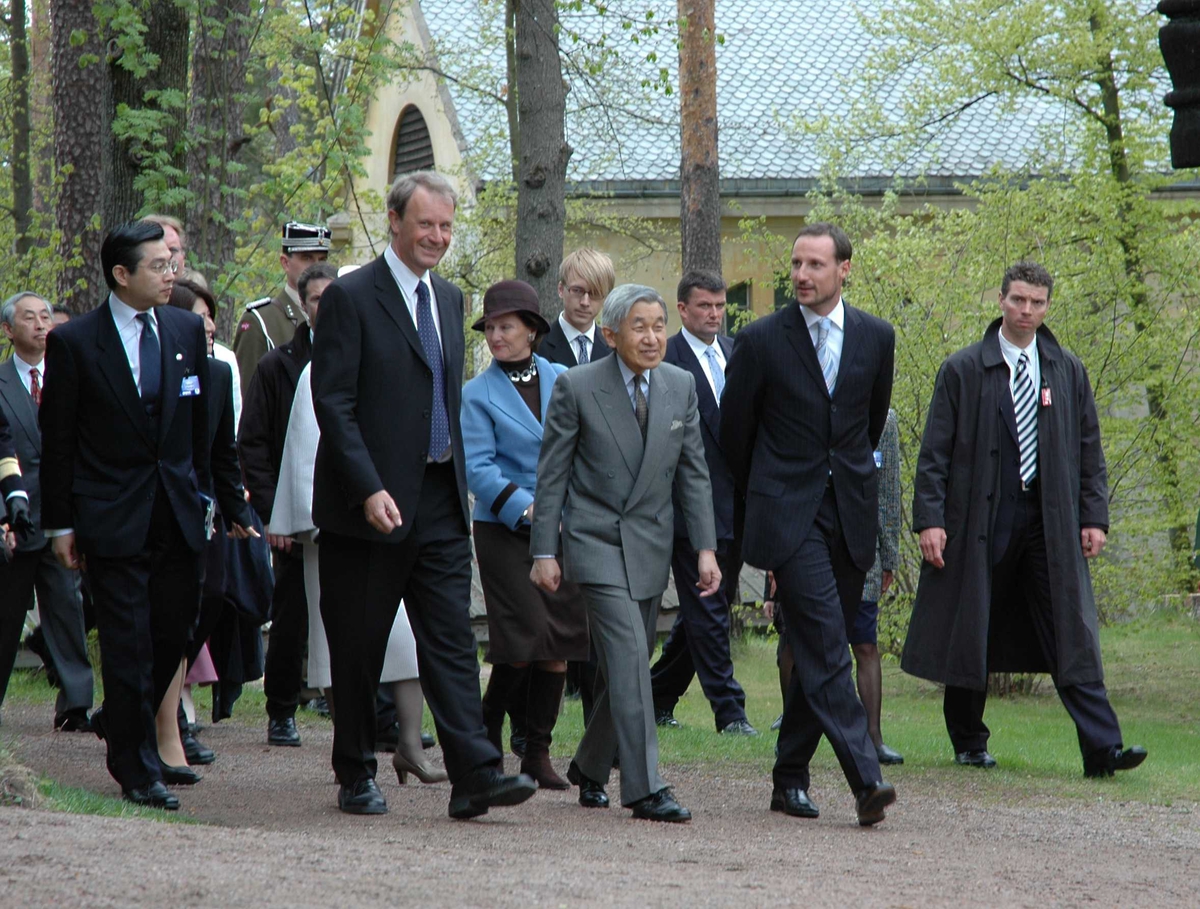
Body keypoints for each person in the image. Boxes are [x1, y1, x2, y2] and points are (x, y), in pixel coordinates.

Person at [311, 170, 536, 818]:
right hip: (369, 507)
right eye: (425, 224)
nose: (437, 236)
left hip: (440, 494)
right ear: (394, 220)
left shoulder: (448, 297)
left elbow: (441, 395)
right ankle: (355, 769)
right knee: (360, 645)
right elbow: (336, 402)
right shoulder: (351, 298)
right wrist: (367, 486)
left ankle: (475, 774)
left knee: (451, 639)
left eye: (445, 225)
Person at [39, 220, 257, 810]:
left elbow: (200, 431)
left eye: (173, 263)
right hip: (110, 517)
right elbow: (58, 442)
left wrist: (215, 502)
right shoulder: (77, 342)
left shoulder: (186, 329)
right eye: (159, 266)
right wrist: (60, 524)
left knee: (173, 632)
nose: (172, 275)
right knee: (127, 640)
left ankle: (124, 719)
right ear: (121, 274)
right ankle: (135, 765)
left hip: (179, 514)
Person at [902, 261, 1147, 778]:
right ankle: (969, 741)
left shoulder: (1067, 369)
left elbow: (1089, 450)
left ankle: (1103, 748)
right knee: (974, 623)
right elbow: (934, 455)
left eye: (1036, 303)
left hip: (1048, 523)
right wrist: (930, 519)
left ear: (1047, 306)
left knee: (1071, 629)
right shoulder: (963, 369)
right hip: (978, 521)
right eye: (1018, 300)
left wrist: (1093, 516)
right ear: (1000, 300)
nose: (1026, 311)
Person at [720, 222, 897, 827]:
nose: (801, 275)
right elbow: (733, 434)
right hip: (786, 516)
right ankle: (866, 779)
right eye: (796, 263)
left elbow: (868, 426)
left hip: (849, 514)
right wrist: (765, 497)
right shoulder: (763, 339)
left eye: (815, 265)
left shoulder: (877, 337)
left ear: (844, 269)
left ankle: (789, 775)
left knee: (814, 645)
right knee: (826, 644)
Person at [530, 283, 719, 823]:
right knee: (634, 658)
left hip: (650, 546)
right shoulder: (577, 386)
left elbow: (694, 476)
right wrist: (545, 549)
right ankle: (644, 787)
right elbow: (552, 476)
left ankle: (590, 766)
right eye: (640, 326)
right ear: (611, 335)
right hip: (595, 541)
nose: (653, 336)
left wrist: (705, 549)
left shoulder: (681, 387)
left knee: (623, 671)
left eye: (660, 325)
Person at [272, 359, 446, 787]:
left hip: (397, 519)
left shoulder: (403, 360)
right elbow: (306, 449)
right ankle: (352, 749)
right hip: (336, 526)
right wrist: (308, 522)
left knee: (404, 643)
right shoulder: (320, 370)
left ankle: (409, 744)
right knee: (340, 649)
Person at [462, 280, 588, 791]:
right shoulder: (476, 393)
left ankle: (537, 753)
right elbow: (479, 468)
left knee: (557, 641)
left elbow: (585, 448)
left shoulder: (566, 379)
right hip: (505, 530)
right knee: (522, 639)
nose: (496, 336)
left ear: (532, 331)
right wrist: (528, 507)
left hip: (562, 528)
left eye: (506, 326)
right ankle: (485, 734)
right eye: (490, 327)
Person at [648, 270, 756, 737]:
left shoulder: (736, 353)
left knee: (706, 609)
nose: (715, 314)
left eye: (720, 306)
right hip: (686, 508)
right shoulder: (663, 358)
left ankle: (655, 696)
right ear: (683, 309)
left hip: (736, 506)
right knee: (710, 611)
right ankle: (730, 712)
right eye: (705, 306)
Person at [239, 261, 336, 748]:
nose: (325, 306)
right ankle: (281, 709)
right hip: (293, 515)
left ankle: (372, 713)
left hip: (348, 514)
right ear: (303, 304)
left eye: (332, 297)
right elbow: (253, 442)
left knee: (360, 615)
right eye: (316, 298)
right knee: (293, 612)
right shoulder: (278, 366)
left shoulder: (359, 358)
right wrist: (275, 512)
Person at [531, 248, 617, 741]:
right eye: (577, 291)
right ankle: (529, 732)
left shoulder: (613, 348)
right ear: (560, 291)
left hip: (601, 505)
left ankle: (598, 741)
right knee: (552, 629)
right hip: (552, 497)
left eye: (595, 294)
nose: (585, 302)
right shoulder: (540, 349)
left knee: (602, 635)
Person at [0, 292, 93, 731]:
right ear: (8, 329)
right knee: (6, 614)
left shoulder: (72, 377)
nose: (40, 325)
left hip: (61, 518)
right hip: (15, 521)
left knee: (67, 610)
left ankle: (76, 704)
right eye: (29, 318)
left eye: (46, 317)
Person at [233, 221, 330, 398]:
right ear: (285, 263)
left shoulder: (337, 316)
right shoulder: (261, 320)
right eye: (307, 258)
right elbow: (248, 397)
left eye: (322, 259)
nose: (317, 267)